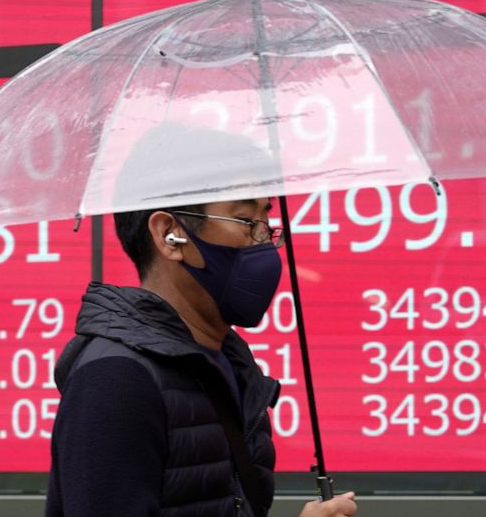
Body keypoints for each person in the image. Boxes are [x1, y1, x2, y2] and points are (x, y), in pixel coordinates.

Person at [44, 192, 359, 516]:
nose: (263, 243)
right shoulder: (117, 379)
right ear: (169, 234)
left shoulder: (228, 364)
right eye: (246, 222)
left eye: (266, 224)